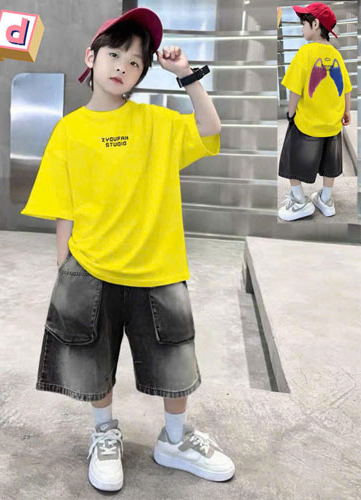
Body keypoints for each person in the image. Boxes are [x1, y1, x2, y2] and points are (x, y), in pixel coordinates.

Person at [20, 7, 235, 492]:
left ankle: (175, 440)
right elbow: (62, 208)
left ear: (141, 73)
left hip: (158, 266)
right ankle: (104, 433)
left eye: (135, 62)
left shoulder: (155, 121)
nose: (123, 67)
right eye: (115, 55)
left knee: (175, 361)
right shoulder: (69, 130)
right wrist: (65, 270)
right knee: (93, 361)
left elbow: (209, 130)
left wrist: (187, 77)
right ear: (91, 57)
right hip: (92, 266)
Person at [278, 2, 352, 221]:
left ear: (316, 24)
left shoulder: (305, 53)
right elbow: (345, 87)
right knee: (330, 163)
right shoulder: (336, 55)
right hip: (332, 124)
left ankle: (299, 200)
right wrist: (346, 112)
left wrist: (291, 113)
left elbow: (295, 89)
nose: (301, 28)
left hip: (307, 123)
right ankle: (326, 200)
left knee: (292, 159)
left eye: (303, 23)